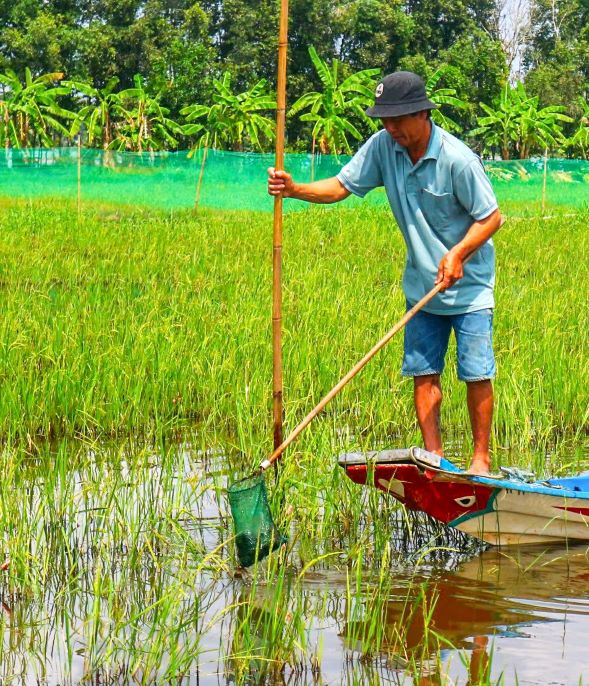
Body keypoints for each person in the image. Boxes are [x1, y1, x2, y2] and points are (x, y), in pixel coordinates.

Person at [268, 71, 502, 475]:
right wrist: (294, 189)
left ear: (422, 114)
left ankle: (480, 459)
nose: (390, 128)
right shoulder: (383, 148)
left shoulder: (458, 159)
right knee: (423, 371)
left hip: (469, 288)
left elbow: (491, 217)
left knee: (476, 371)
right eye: (385, 121)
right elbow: (341, 187)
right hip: (421, 287)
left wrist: (459, 253)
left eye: (397, 120)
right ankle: (435, 460)